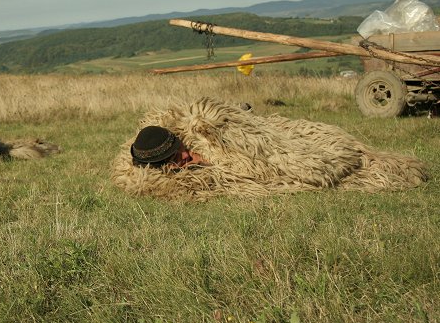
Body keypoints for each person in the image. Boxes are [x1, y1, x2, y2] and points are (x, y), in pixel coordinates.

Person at [112, 97, 427, 200]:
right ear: (164, 167)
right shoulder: (191, 178)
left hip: (267, 137)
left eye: (181, 149)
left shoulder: (201, 130)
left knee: (320, 154)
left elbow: (262, 140)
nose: (186, 156)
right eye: (177, 160)